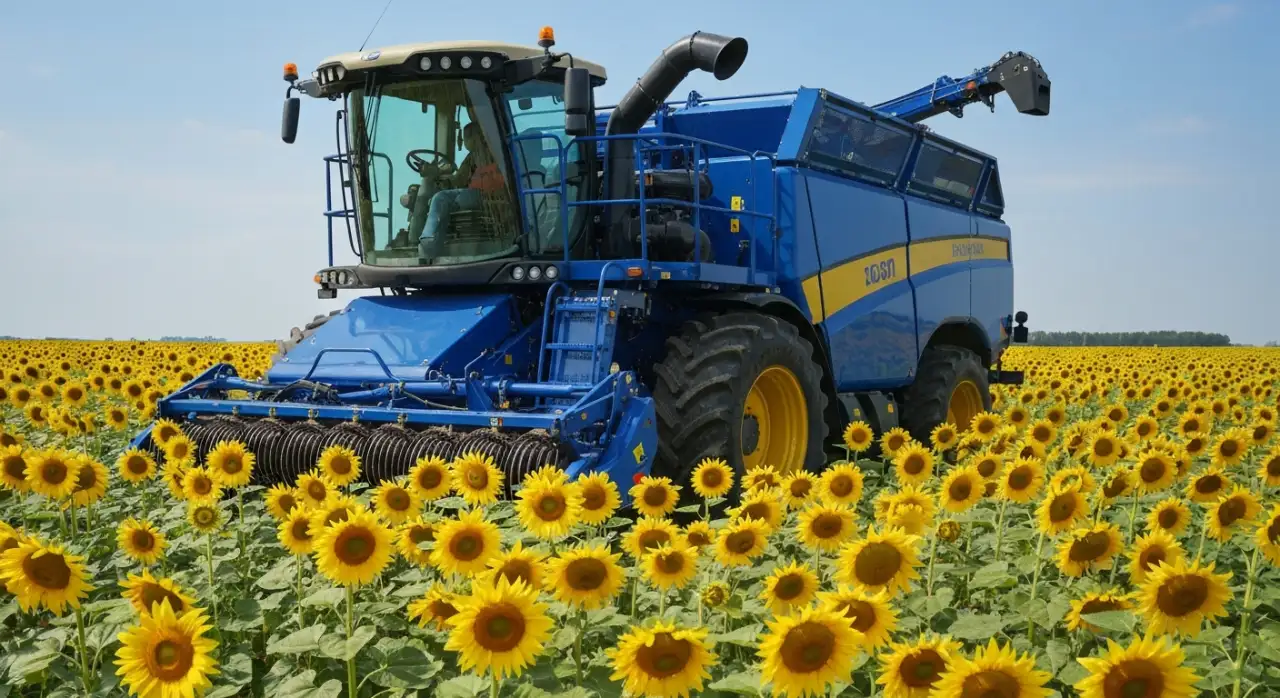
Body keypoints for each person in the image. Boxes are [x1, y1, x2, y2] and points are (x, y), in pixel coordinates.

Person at [418, 122, 505, 258]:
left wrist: (440, 176)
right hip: (473, 194)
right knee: (440, 197)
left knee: (459, 199)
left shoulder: (496, 154)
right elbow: (459, 179)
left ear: (475, 138)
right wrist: (442, 180)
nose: (465, 143)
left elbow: (460, 181)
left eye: (465, 139)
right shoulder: (472, 157)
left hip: (489, 196)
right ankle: (428, 240)